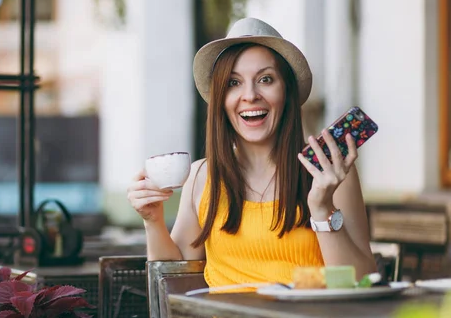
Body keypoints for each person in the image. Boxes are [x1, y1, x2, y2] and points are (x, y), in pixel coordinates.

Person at [127, 17, 376, 290]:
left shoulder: (330, 172)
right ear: (220, 99)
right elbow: (173, 277)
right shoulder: (202, 176)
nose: (250, 95)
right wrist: (153, 221)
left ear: (287, 91)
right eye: (234, 83)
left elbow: (360, 281)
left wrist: (321, 208)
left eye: (265, 79)